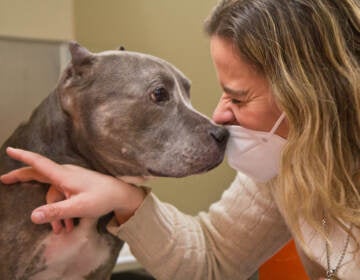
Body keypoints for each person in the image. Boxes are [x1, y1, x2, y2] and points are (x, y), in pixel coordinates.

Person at [1, 0, 359, 279]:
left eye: (238, 97)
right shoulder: (283, 167)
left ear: (311, 95)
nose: (218, 116)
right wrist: (125, 199)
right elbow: (212, 261)